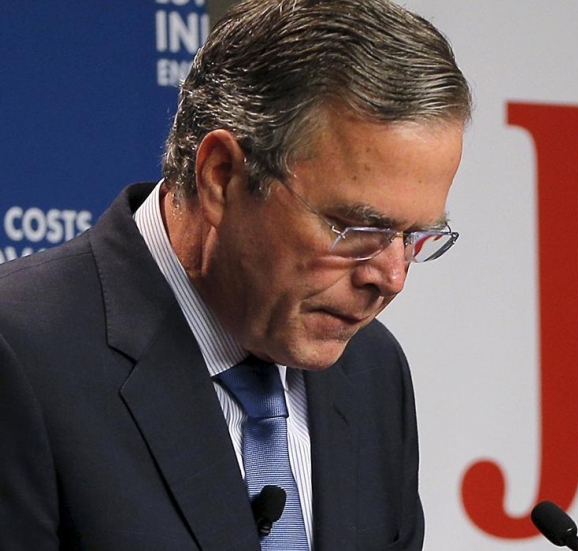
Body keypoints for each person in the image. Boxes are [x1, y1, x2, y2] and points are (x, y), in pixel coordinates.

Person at [0, 0, 471, 549]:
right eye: (356, 228)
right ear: (221, 176)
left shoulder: (372, 371)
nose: (391, 277)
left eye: (415, 238)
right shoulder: (21, 354)